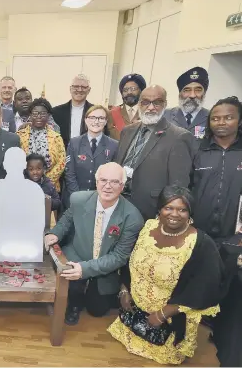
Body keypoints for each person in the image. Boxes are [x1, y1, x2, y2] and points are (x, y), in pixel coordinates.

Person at [108, 186, 225, 365]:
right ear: (159, 209)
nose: (174, 214)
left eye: (182, 209)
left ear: (190, 213)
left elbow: (205, 287)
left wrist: (164, 313)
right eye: (168, 207)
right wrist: (124, 290)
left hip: (168, 321)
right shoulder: (147, 228)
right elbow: (129, 261)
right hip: (134, 314)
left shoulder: (201, 244)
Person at [44, 162, 144, 326]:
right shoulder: (78, 199)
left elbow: (119, 257)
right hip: (77, 255)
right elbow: (66, 221)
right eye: (103, 180)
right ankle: (74, 303)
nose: (107, 186)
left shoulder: (132, 217)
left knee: (97, 310)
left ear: (122, 185)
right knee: (72, 286)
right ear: (96, 182)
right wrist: (54, 234)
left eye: (114, 182)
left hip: (103, 265)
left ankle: (100, 291)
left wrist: (85, 269)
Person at [114, 85, 195, 220]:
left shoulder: (178, 136)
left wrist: (166, 213)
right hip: (119, 203)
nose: (151, 108)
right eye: (145, 102)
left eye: (157, 102)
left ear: (165, 104)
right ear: (139, 104)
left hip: (150, 210)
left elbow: (179, 185)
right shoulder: (127, 131)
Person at [192, 96, 242, 244]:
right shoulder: (197, 148)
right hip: (197, 232)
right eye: (215, 118)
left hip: (235, 236)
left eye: (228, 118)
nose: (221, 122)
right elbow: (186, 187)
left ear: (239, 121)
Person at [64, 105, 119, 207]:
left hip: (100, 201)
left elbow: (113, 176)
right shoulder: (74, 143)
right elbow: (69, 173)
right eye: (92, 117)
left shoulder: (114, 145)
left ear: (106, 121)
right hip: (74, 198)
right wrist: (78, 197)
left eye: (101, 118)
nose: (96, 121)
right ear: (85, 120)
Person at [16, 98, 66, 191]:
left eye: (43, 113)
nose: (39, 116)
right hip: (24, 185)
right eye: (35, 113)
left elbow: (61, 163)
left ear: (48, 115)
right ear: (30, 115)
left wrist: (45, 182)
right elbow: (15, 161)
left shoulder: (56, 137)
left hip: (50, 187)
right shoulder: (19, 136)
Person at [164, 67, 210, 139]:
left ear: (204, 93)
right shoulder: (165, 115)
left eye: (198, 90)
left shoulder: (211, 118)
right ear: (180, 94)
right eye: (187, 90)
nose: (192, 95)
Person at [52, 74, 94, 147]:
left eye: (84, 87)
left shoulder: (95, 112)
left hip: (87, 154)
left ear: (89, 90)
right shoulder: (56, 112)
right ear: (70, 89)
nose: (80, 90)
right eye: (76, 86)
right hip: (62, 153)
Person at [107, 73, 146, 140]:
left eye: (133, 89)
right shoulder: (111, 114)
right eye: (125, 90)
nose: (129, 92)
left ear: (141, 91)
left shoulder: (147, 112)